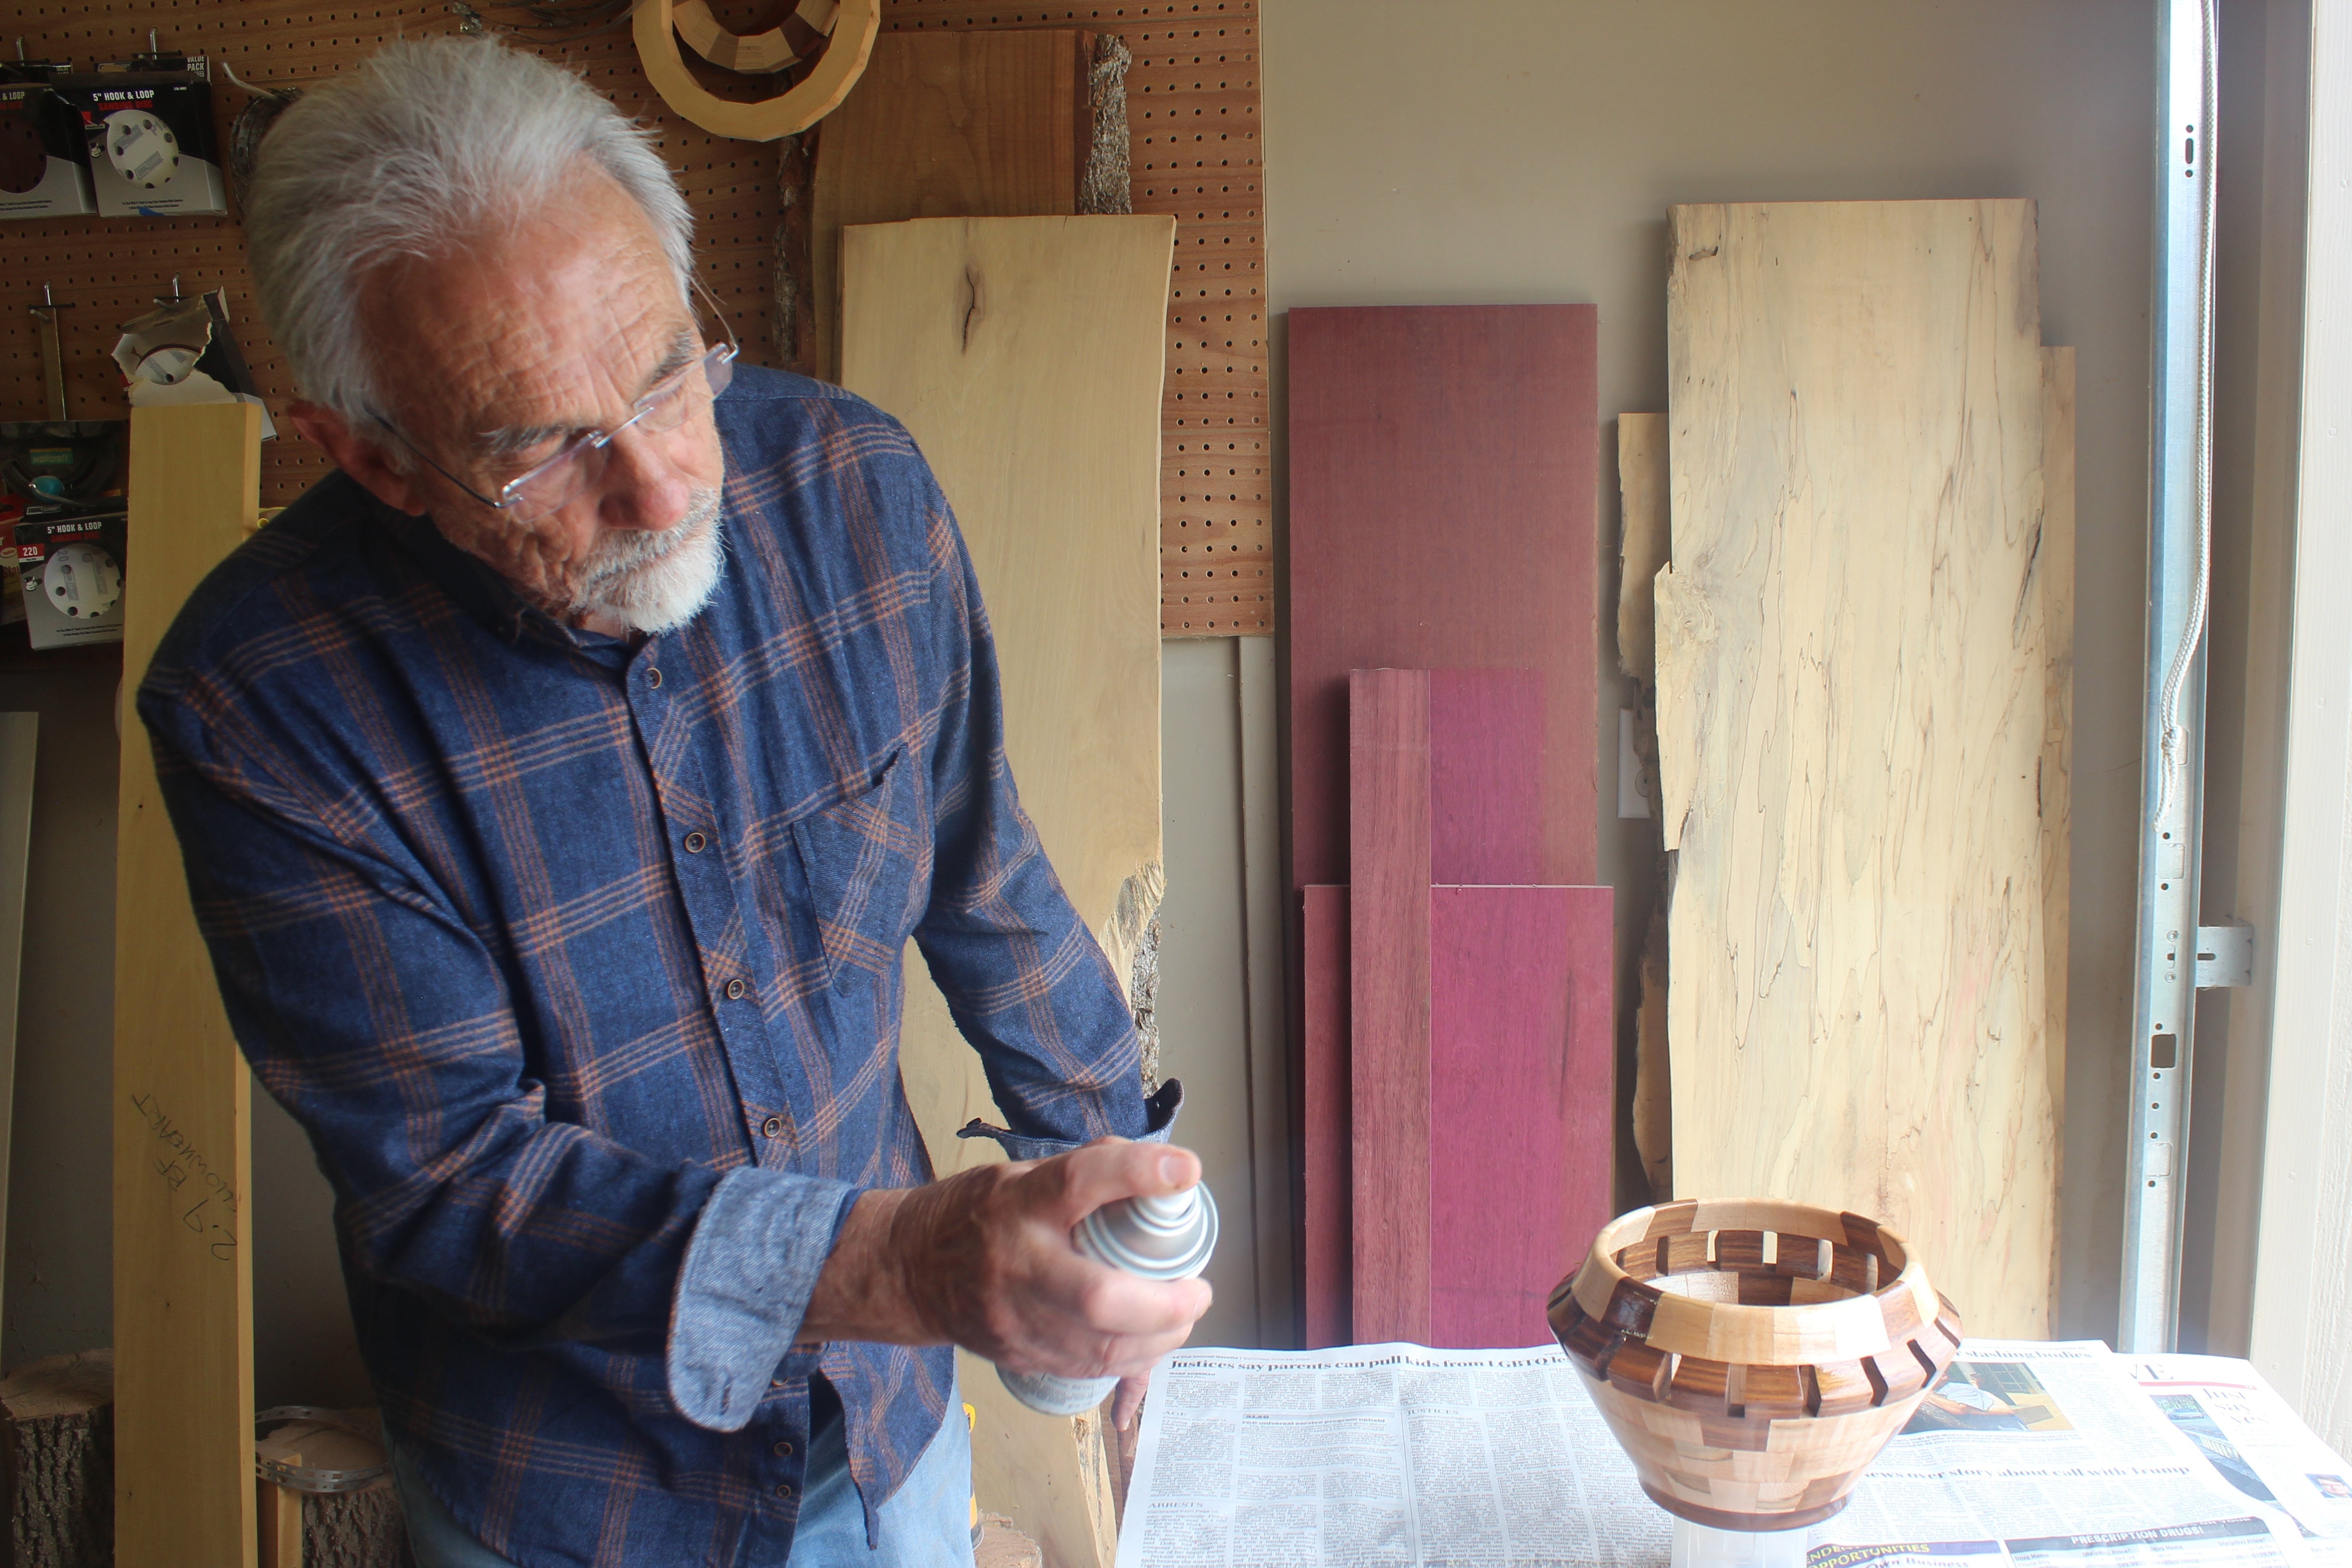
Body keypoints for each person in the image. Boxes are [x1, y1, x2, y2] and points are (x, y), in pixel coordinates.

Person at [141, 34, 1209, 1568]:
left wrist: (1118, 1190)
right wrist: (906, 1257)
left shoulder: (853, 488)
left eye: (665, 376)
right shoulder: (265, 705)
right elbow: (455, 1182)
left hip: (886, 1424)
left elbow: (983, 871)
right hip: (574, 1495)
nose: (659, 485)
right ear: (369, 456)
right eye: (543, 454)